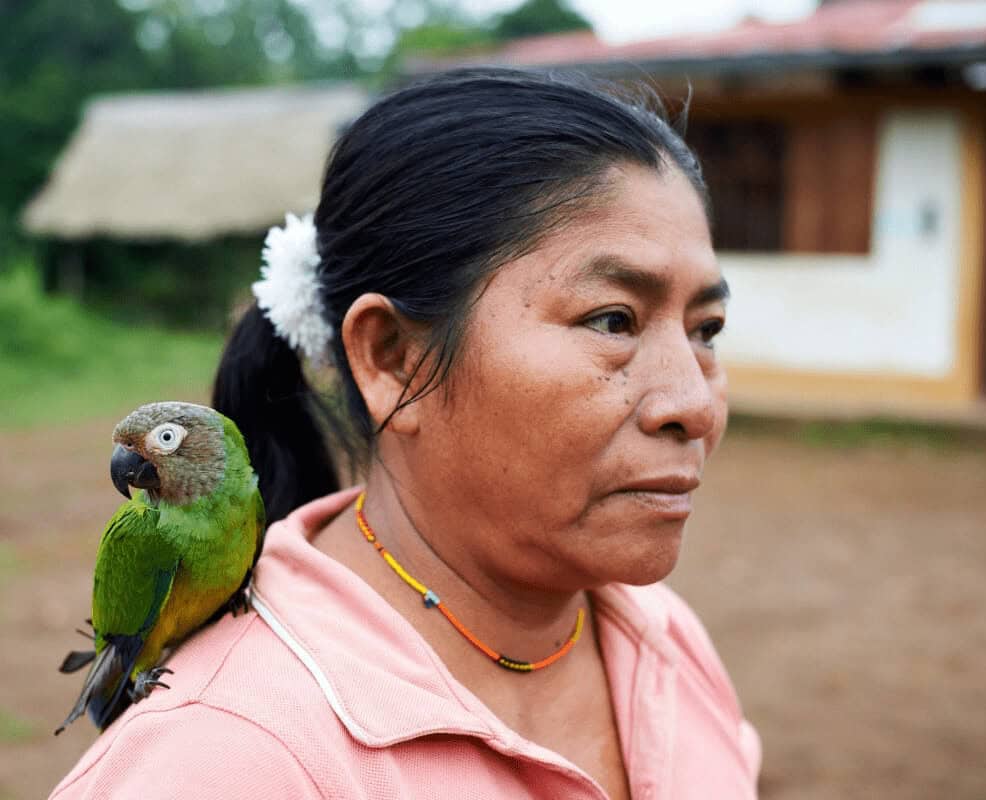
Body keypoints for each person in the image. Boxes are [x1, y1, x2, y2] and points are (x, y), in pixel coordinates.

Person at [51, 67, 761, 799]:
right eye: (612, 319)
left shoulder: (664, 644)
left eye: (707, 329)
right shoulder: (222, 760)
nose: (695, 404)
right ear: (391, 356)